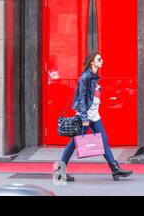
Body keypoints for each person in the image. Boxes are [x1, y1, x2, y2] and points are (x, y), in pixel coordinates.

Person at [54, 51, 133, 181]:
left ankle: (115, 169)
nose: (102, 61)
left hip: (95, 115)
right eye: (99, 59)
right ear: (92, 62)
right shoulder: (85, 77)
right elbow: (81, 98)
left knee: (104, 140)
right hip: (85, 116)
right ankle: (60, 171)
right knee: (74, 143)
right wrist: (84, 118)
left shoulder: (95, 77)